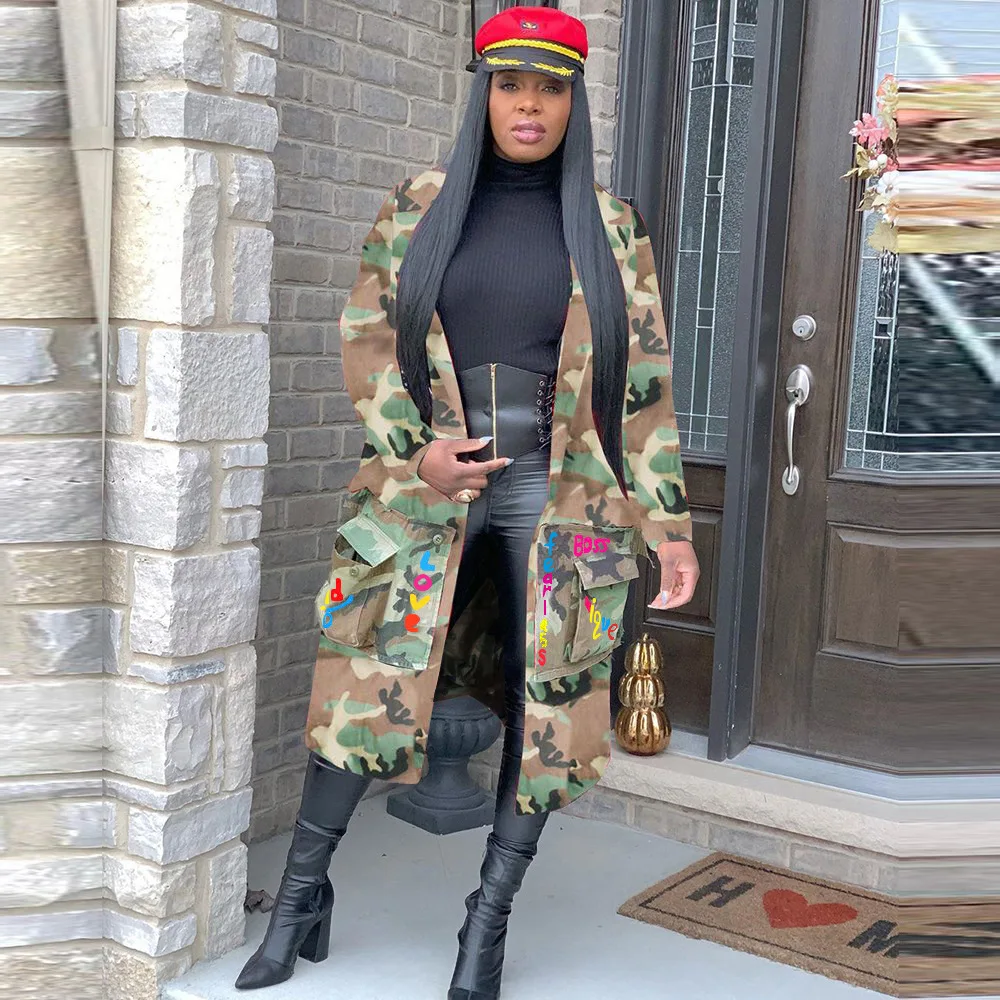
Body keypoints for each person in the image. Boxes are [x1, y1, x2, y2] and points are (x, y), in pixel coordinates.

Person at [236, 6, 699, 997]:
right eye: (510, 85)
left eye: (550, 89)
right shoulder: (418, 205)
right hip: (424, 491)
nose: (529, 106)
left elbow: (645, 387)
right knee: (363, 688)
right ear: (483, 93)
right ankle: (300, 899)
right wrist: (417, 457)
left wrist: (669, 527)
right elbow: (367, 341)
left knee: (548, 711)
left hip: (562, 500)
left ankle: (485, 925)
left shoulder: (613, 228)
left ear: (574, 102)